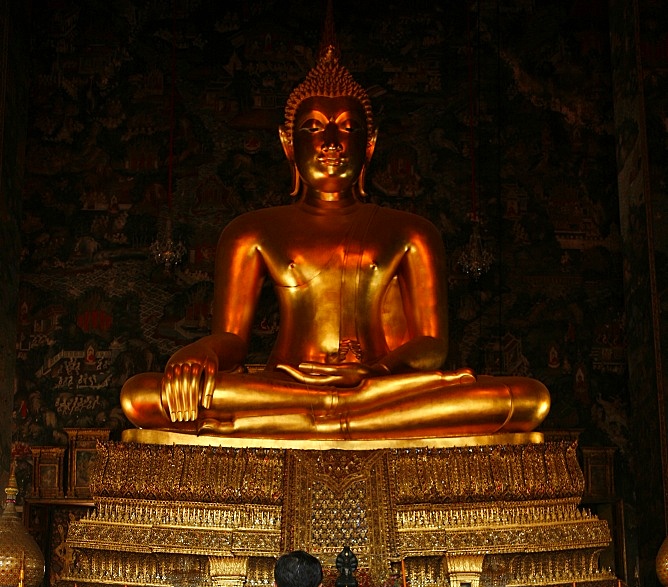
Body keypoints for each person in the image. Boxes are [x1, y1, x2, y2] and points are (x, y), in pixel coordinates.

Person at [121, 44, 550, 441]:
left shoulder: (411, 231)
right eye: (313, 127)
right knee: (140, 396)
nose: (330, 141)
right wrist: (200, 351)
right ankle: (329, 416)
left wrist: (369, 373)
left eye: (348, 127)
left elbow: (432, 347)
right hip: (284, 385)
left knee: (529, 398)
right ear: (288, 144)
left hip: (379, 387)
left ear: (370, 144)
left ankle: (317, 418)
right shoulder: (250, 230)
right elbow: (232, 339)